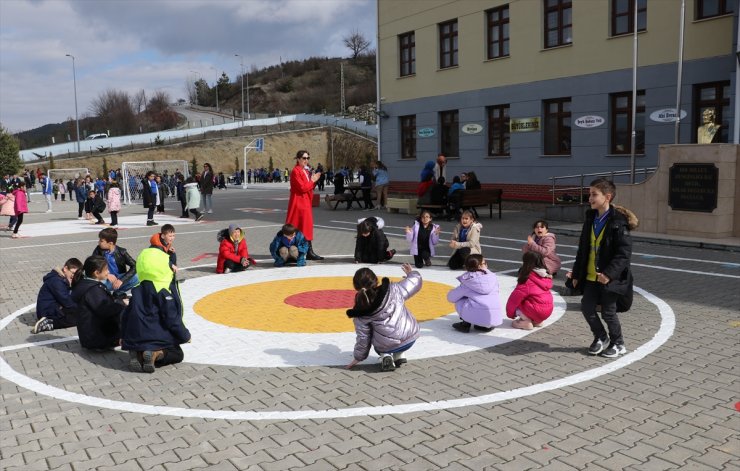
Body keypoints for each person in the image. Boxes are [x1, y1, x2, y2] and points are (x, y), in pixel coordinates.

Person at [567, 178, 638, 358]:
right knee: (587, 307)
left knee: (608, 312)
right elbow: (583, 248)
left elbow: (624, 253)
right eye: (589, 194)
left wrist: (609, 274)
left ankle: (619, 343)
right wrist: (576, 273)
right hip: (591, 275)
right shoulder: (590, 218)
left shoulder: (618, 222)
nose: (589, 198)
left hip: (610, 278)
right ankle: (601, 337)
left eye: (593, 194)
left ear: (607, 196)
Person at [122, 246, 191, 373]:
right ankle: (156, 354)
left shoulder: (137, 289)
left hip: (136, 337)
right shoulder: (162, 289)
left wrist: (123, 336)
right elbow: (171, 317)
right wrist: (185, 335)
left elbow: (126, 314)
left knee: (142, 343)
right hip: (156, 338)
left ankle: (137, 353)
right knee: (177, 353)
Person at [345, 263, 421, 371]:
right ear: (376, 280)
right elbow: (415, 283)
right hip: (410, 338)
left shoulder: (361, 312)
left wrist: (358, 358)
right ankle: (399, 356)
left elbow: (363, 338)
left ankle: (386, 356)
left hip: (388, 346)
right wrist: (411, 274)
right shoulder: (395, 289)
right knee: (395, 331)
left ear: (356, 287)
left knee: (378, 337)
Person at [71, 256, 127, 350]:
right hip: (97, 339)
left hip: (89, 337)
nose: (108, 272)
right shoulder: (93, 290)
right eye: (106, 270)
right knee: (128, 312)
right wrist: (122, 303)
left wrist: (118, 299)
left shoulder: (84, 284)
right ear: (97, 273)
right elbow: (105, 310)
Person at [447, 254, 503, 333]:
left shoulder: (469, 280)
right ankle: (483, 325)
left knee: (461, 299)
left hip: (481, 314)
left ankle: (465, 324)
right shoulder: (492, 277)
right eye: (485, 263)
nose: (486, 264)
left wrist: (451, 291)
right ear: (480, 266)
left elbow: (451, 298)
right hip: (493, 318)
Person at [286, 150, 324, 260]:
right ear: (298, 159)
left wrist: (314, 181)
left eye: (308, 158)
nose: (306, 160)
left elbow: (308, 187)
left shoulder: (304, 171)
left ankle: (306, 250)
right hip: (299, 203)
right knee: (301, 226)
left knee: (306, 226)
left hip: (305, 202)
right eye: (304, 158)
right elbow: (303, 188)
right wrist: (313, 180)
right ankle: (303, 251)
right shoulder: (296, 171)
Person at [32, 257, 83, 334]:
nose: (74, 276)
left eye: (76, 274)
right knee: (78, 318)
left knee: (79, 313)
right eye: (73, 273)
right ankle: (48, 323)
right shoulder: (56, 281)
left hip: (52, 308)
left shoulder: (62, 278)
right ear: (65, 269)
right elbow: (67, 302)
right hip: (47, 312)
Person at [506, 252, 554, 330]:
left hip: (536, 311)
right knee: (534, 300)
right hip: (547, 311)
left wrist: (510, 313)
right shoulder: (545, 275)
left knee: (518, 302)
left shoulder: (527, 278)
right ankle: (537, 321)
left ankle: (525, 322)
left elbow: (514, 298)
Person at [92, 227, 139, 295]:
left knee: (137, 277)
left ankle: (118, 294)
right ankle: (104, 295)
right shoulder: (98, 250)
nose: (98, 242)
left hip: (117, 279)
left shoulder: (121, 252)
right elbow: (92, 264)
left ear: (110, 243)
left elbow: (135, 266)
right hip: (104, 279)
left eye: (101, 241)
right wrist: (107, 275)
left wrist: (121, 280)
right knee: (97, 282)